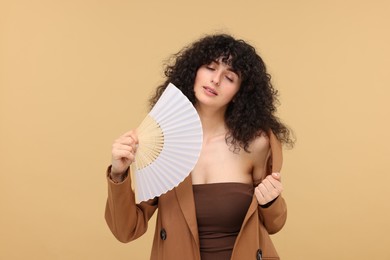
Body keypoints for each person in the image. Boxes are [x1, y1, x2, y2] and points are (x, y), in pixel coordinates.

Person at [105, 34, 294, 260]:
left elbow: (274, 224)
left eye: (229, 77)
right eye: (210, 67)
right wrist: (118, 174)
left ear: (239, 93)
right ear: (194, 71)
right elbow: (126, 230)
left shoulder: (256, 144)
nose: (215, 80)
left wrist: (271, 202)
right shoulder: (162, 142)